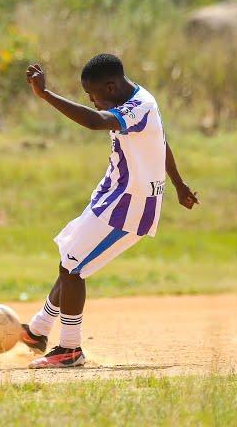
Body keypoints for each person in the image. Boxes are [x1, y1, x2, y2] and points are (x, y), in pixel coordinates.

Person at [20, 54, 199, 368]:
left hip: (129, 206)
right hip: (111, 197)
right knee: (70, 256)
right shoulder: (137, 100)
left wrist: (45, 95)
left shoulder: (139, 106)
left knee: (73, 267)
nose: (92, 101)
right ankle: (38, 330)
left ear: (112, 86)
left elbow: (94, 122)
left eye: (93, 95)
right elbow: (161, 142)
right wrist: (180, 184)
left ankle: (70, 349)